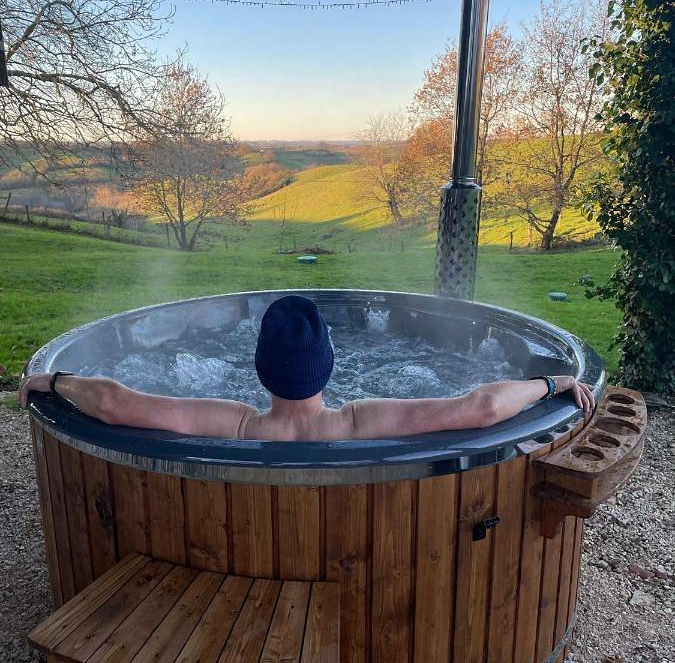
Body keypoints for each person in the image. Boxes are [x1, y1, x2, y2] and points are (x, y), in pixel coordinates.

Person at [19, 295, 595, 440]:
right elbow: (483, 407)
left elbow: (117, 404)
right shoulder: (360, 422)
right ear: (328, 365)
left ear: (261, 367)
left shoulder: (233, 424)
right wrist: (553, 382)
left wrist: (53, 380)